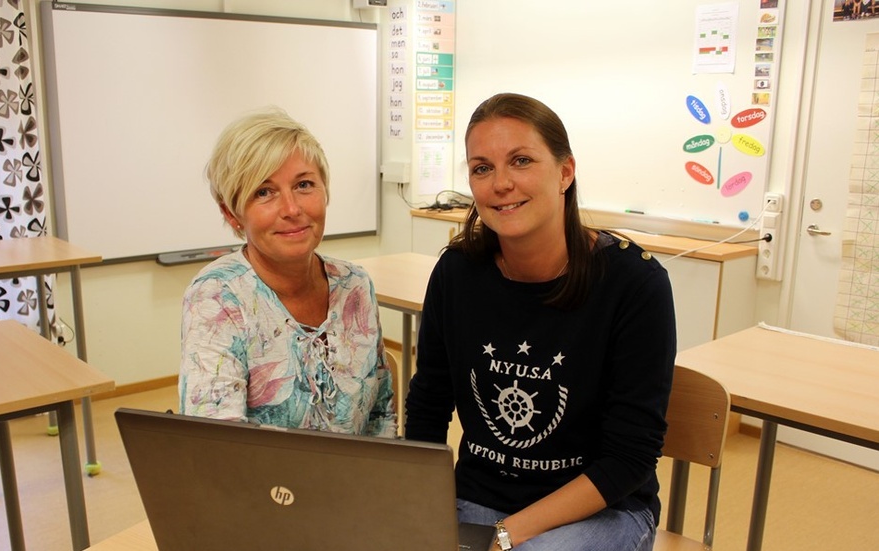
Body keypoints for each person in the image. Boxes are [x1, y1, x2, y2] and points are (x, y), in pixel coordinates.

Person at [404, 93, 676, 551]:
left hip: (601, 510)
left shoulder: (634, 283)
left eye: (521, 160)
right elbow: (429, 406)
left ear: (565, 172)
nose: (501, 183)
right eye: (482, 168)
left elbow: (630, 457)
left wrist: (508, 535)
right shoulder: (456, 274)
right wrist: (416, 507)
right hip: (477, 497)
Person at [179, 108, 396, 438]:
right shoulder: (217, 297)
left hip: (359, 484)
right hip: (263, 489)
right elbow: (217, 444)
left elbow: (381, 414)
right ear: (232, 212)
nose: (292, 209)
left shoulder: (354, 285)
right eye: (264, 192)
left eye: (304, 184)